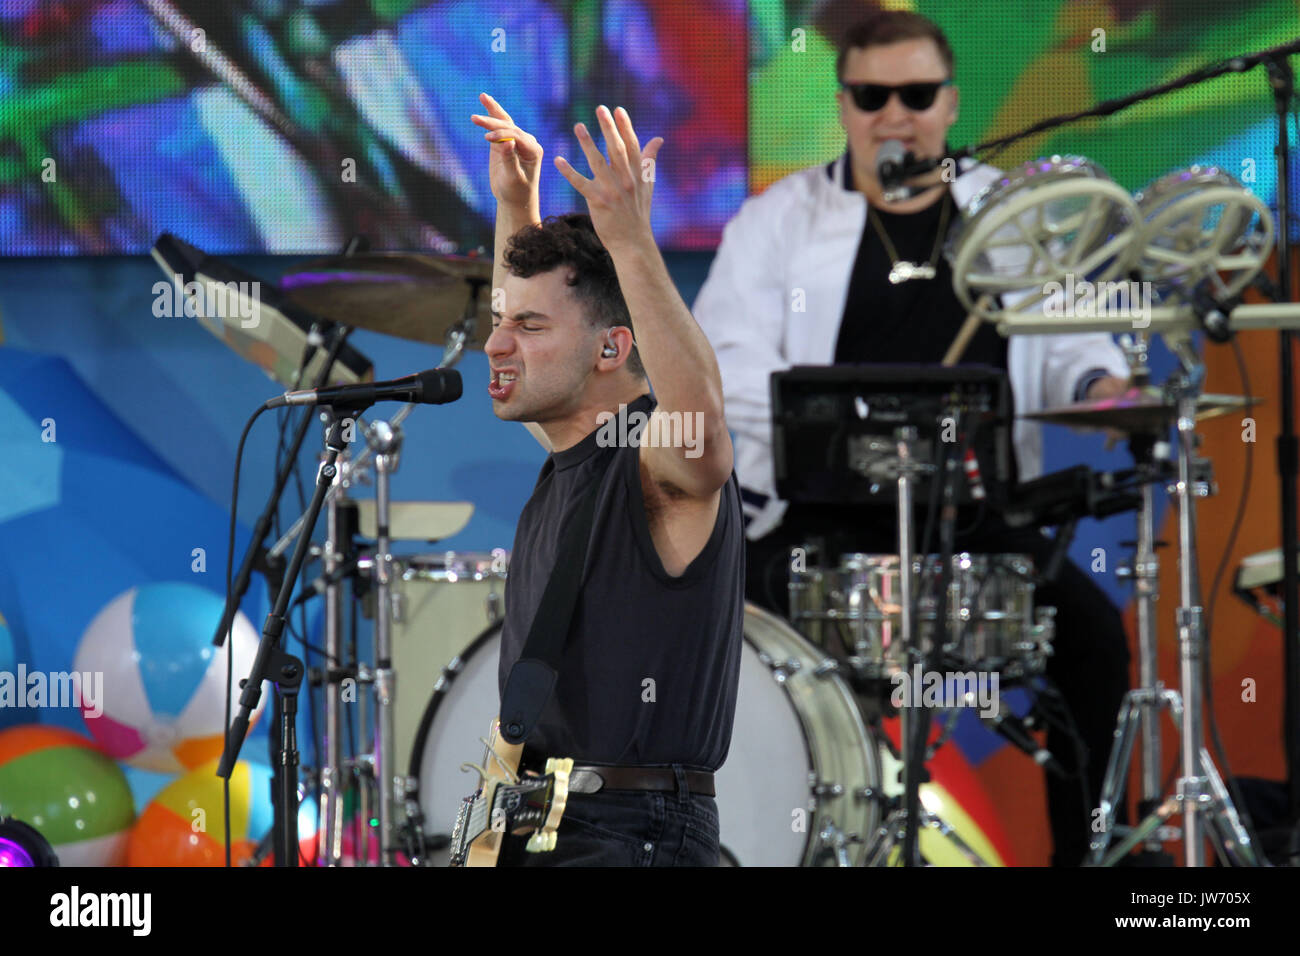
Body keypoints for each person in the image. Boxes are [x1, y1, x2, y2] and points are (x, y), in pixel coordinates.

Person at [692, 11, 1132, 866]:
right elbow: (725, 369)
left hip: (980, 530)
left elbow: (1077, 339)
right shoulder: (775, 220)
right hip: (816, 527)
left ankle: (1093, 866)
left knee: (1095, 643)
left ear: (950, 103)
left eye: (916, 94)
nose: (894, 113)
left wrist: (1101, 387)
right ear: (845, 103)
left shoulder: (1011, 212)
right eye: (871, 94)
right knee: (713, 641)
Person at [469, 93, 744, 866]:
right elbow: (532, 317)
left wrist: (629, 242)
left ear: (611, 349)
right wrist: (515, 203)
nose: (496, 344)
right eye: (498, 321)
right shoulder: (570, 454)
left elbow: (704, 420)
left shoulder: (660, 466)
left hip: (632, 838)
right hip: (547, 826)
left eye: (527, 328)